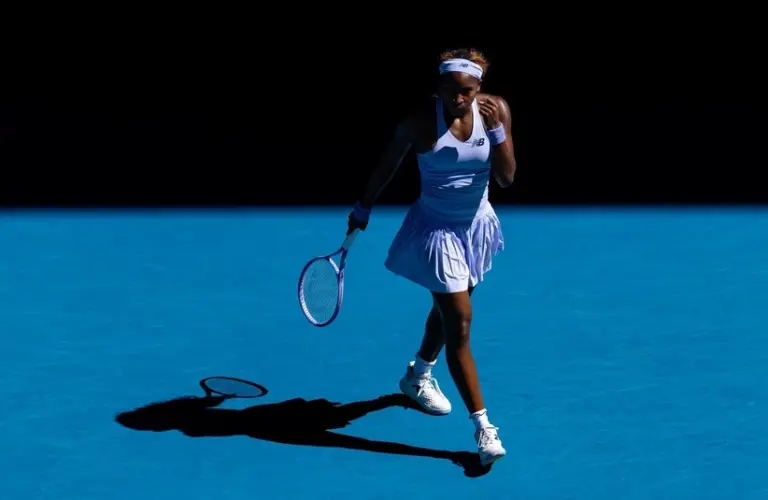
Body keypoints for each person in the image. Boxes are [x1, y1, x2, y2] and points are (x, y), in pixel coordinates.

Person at [346, 48, 517, 466]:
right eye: (451, 90)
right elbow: (387, 164)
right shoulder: (420, 121)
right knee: (459, 323)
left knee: (447, 312)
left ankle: (418, 374)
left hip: (475, 228)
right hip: (437, 233)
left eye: (468, 91)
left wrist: (497, 134)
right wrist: (364, 206)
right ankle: (484, 429)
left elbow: (507, 178)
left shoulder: (495, 111)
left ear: (479, 88)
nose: (459, 99)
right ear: (438, 85)